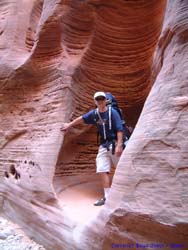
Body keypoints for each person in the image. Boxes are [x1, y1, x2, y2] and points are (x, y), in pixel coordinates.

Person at [61, 91, 123, 206]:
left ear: (105, 100)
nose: (100, 101)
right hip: (103, 145)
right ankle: (107, 197)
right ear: (95, 101)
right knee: (101, 169)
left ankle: (124, 196)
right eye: (98, 100)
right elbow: (82, 118)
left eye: (102, 99)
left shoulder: (112, 113)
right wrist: (68, 126)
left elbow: (119, 129)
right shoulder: (94, 114)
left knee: (122, 170)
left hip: (114, 144)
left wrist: (119, 145)